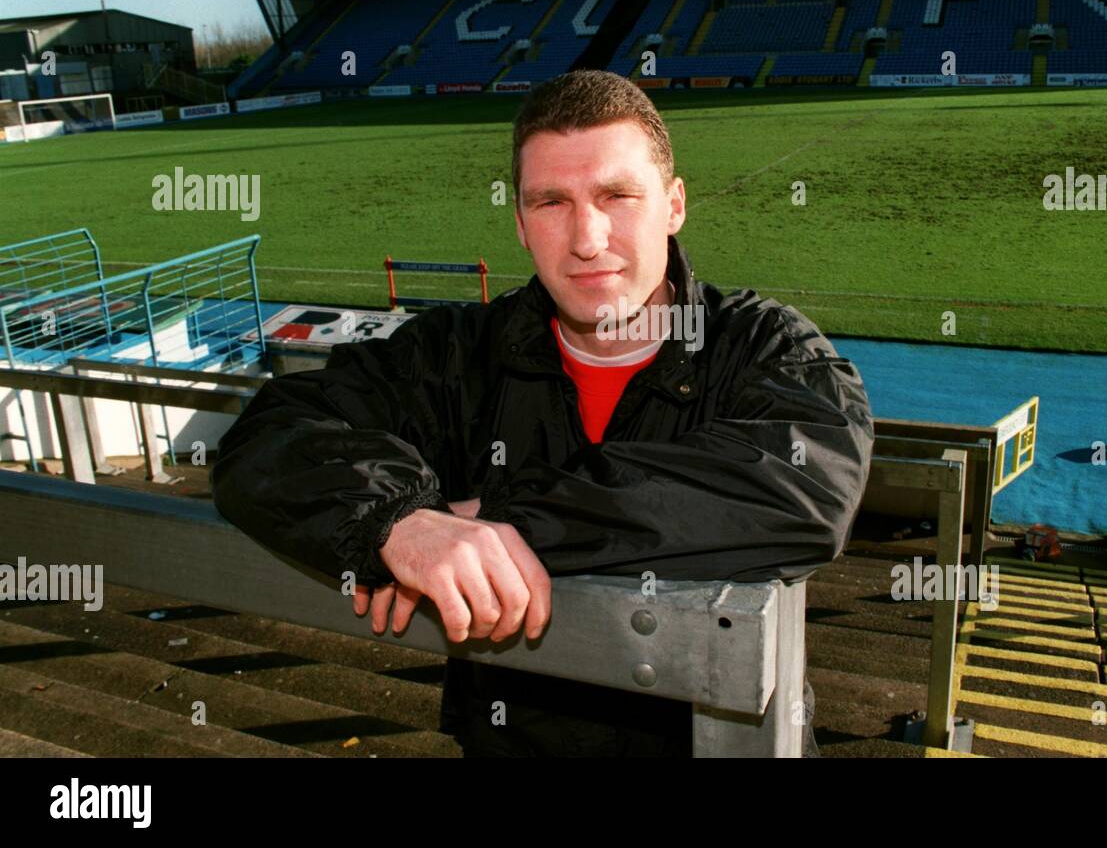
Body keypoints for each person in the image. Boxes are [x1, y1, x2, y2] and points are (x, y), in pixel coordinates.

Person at [211, 69, 874, 757]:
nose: (587, 238)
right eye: (552, 202)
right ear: (521, 225)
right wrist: (395, 520)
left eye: (617, 195)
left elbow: (809, 488)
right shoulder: (459, 353)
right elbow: (270, 432)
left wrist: (503, 520)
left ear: (674, 204)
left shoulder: (761, 345)